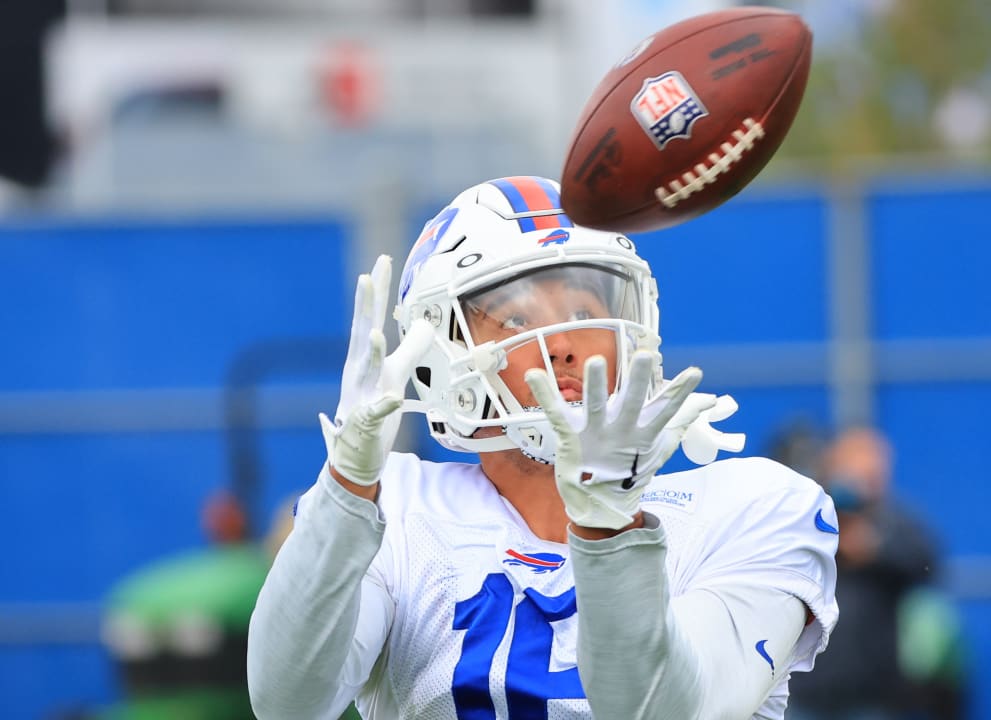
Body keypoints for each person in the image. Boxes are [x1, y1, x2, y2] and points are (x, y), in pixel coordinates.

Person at [246, 176, 839, 719]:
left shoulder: (752, 507)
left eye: (584, 310)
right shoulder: (395, 513)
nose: (564, 345)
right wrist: (346, 488)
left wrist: (612, 527)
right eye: (513, 319)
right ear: (441, 357)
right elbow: (288, 701)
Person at [786, 427, 939, 720]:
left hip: (872, 693)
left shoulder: (893, 520)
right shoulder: (808, 512)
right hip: (807, 686)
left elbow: (926, 564)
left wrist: (874, 548)